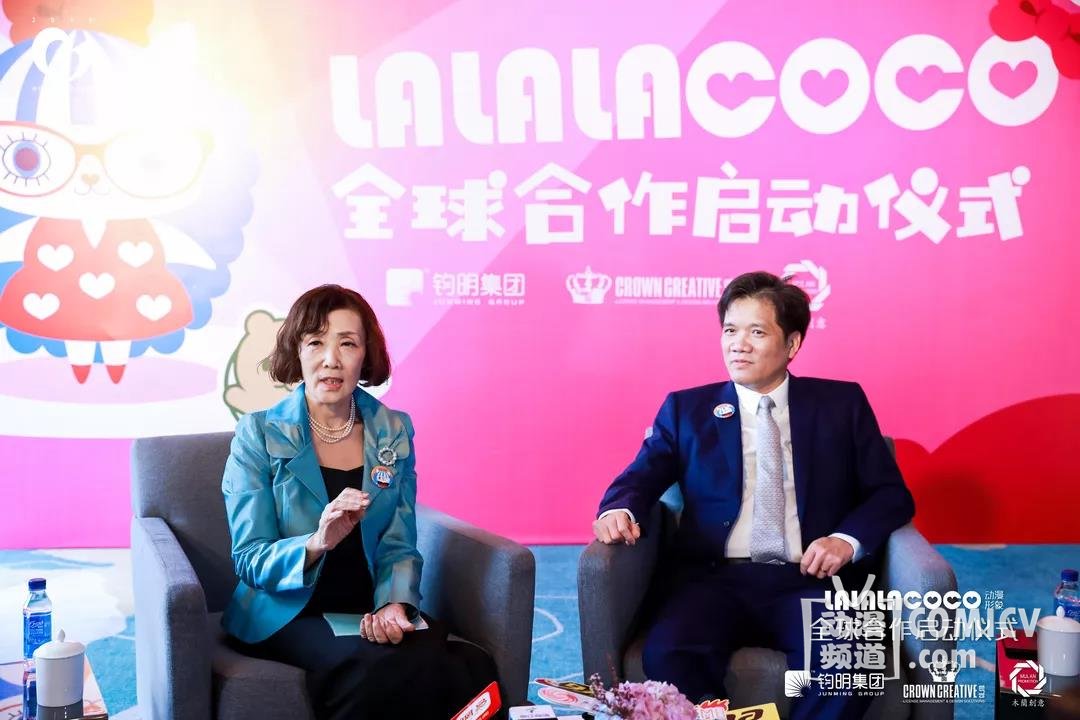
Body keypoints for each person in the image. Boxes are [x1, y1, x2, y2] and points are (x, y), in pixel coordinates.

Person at [593, 271, 915, 719]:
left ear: (792, 343)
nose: (738, 345)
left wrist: (845, 541)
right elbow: (642, 475)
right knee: (669, 653)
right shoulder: (687, 410)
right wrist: (620, 507)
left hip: (811, 580)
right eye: (730, 331)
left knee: (854, 658)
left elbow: (890, 494)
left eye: (757, 332)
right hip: (713, 579)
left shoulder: (841, 406)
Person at [221, 284, 497, 720]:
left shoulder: (393, 430)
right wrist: (316, 542)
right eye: (316, 342)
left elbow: (398, 542)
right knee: (371, 669)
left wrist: (394, 603)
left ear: (366, 355)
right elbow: (250, 557)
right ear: (297, 351)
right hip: (290, 610)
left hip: (367, 606)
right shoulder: (258, 434)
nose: (331, 359)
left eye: (347, 343)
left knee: (472, 667)